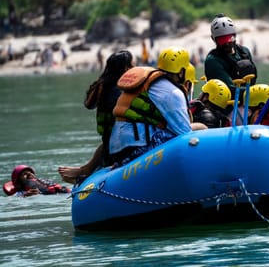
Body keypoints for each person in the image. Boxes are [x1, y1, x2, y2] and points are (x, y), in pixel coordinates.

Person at [109, 46, 202, 166]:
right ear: (181, 72)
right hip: (137, 150)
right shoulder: (173, 92)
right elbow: (184, 134)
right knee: (200, 128)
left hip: (117, 152)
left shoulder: (153, 82)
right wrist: (201, 127)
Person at [58, 50, 134, 184]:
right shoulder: (121, 89)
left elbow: (89, 105)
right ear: (125, 68)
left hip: (108, 141)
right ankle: (84, 172)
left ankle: (84, 170)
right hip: (121, 143)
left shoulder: (102, 86)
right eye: (131, 64)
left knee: (104, 143)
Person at [204, 13, 257, 95]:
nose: (227, 43)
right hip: (227, 104)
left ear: (235, 36)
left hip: (249, 101)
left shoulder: (244, 52)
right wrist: (259, 91)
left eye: (230, 39)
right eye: (222, 40)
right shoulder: (213, 61)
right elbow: (230, 90)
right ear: (213, 39)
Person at [4, 165, 70, 197]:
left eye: (30, 173)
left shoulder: (43, 182)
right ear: (18, 181)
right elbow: (12, 199)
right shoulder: (20, 193)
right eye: (24, 174)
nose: (29, 175)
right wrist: (25, 195)